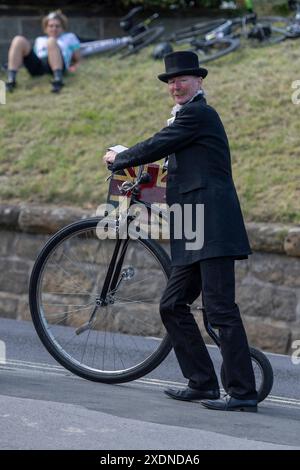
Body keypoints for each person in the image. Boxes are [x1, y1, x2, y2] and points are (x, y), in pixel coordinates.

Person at [103, 51, 258, 412]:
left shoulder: (198, 114)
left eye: (183, 79)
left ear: (200, 81)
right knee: (173, 305)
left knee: (220, 310)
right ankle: (202, 383)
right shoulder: (186, 121)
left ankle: (242, 392)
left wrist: (121, 157)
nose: (176, 85)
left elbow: (159, 144)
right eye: (171, 81)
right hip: (193, 227)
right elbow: (177, 172)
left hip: (212, 226)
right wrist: (141, 185)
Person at [6, 10, 81, 93]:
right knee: (18, 39)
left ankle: (58, 79)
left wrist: (75, 66)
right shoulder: (40, 40)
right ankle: (11, 80)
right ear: (46, 28)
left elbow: (78, 59)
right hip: (39, 65)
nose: (54, 28)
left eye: (57, 26)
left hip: (57, 64)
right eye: (51, 26)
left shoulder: (69, 37)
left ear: (63, 28)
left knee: (51, 41)